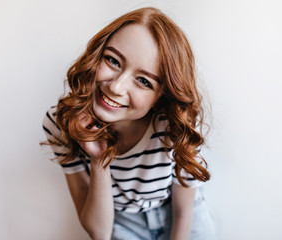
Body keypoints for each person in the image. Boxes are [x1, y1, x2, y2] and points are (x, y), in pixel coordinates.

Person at [42, 7, 216, 240]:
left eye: (143, 81)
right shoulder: (60, 122)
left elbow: (184, 212)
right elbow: (99, 232)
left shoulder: (176, 126)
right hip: (121, 219)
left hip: (181, 214)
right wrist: (99, 159)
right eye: (113, 60)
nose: (116, 87)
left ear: (161, 95)